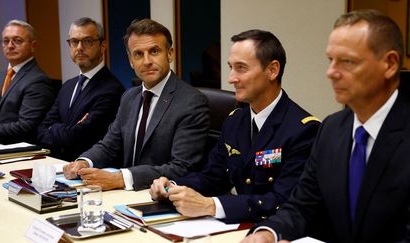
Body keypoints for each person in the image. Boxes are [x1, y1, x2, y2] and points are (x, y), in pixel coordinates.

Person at [242, 9, 408, 243]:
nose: (331, 73)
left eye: (347, 61)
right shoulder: (331, 129)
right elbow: (302, 204)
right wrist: (268, 233)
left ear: (389, 64)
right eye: (331, 60)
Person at [149, 29, 321, 223]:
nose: (231, 78)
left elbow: (283, 201)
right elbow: (212, 177)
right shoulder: (235, 120)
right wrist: (171, 186)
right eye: (231, 67)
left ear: (272, 70)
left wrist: (210, 206)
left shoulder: (304, 130)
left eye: (241, 68)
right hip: (236, 224)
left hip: (275, 229)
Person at [63, 19, 209, 191]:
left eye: (154, 51)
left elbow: (182, 167)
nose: (146, 61)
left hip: (163, 198)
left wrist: (120, 178)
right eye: (138, 54)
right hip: (125, 197)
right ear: (131, 61)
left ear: (170, 54)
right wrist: (84, 161)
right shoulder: (129, 97)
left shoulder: (191, 102)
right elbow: (109, 145)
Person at [36, 17, 125, 161]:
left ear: (103, 45)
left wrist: (55, 128)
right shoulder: (67, 87)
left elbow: (80, 137)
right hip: (58, 166)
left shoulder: (112, 89)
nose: (79, 48)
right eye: (74, 42)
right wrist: (65, 130)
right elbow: (41, 130)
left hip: (89, 171)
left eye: (87, 41)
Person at [0, 19, 56, 144]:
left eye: (17, 40)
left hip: (19, 152)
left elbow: (25, 127)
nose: (10, 45)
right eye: (6, 41)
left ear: (33, 46)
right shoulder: (0, 77)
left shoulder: (38, 81)